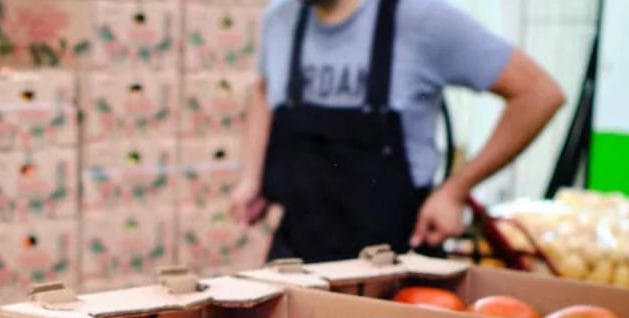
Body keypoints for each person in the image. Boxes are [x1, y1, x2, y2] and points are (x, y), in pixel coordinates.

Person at [231, 0, 566, 262]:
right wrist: (253, 176)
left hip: (393, 260)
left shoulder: (421, 19)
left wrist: (455, 190)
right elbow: (264, 91)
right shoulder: (281, 18)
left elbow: (538, 94)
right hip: (298, 252)